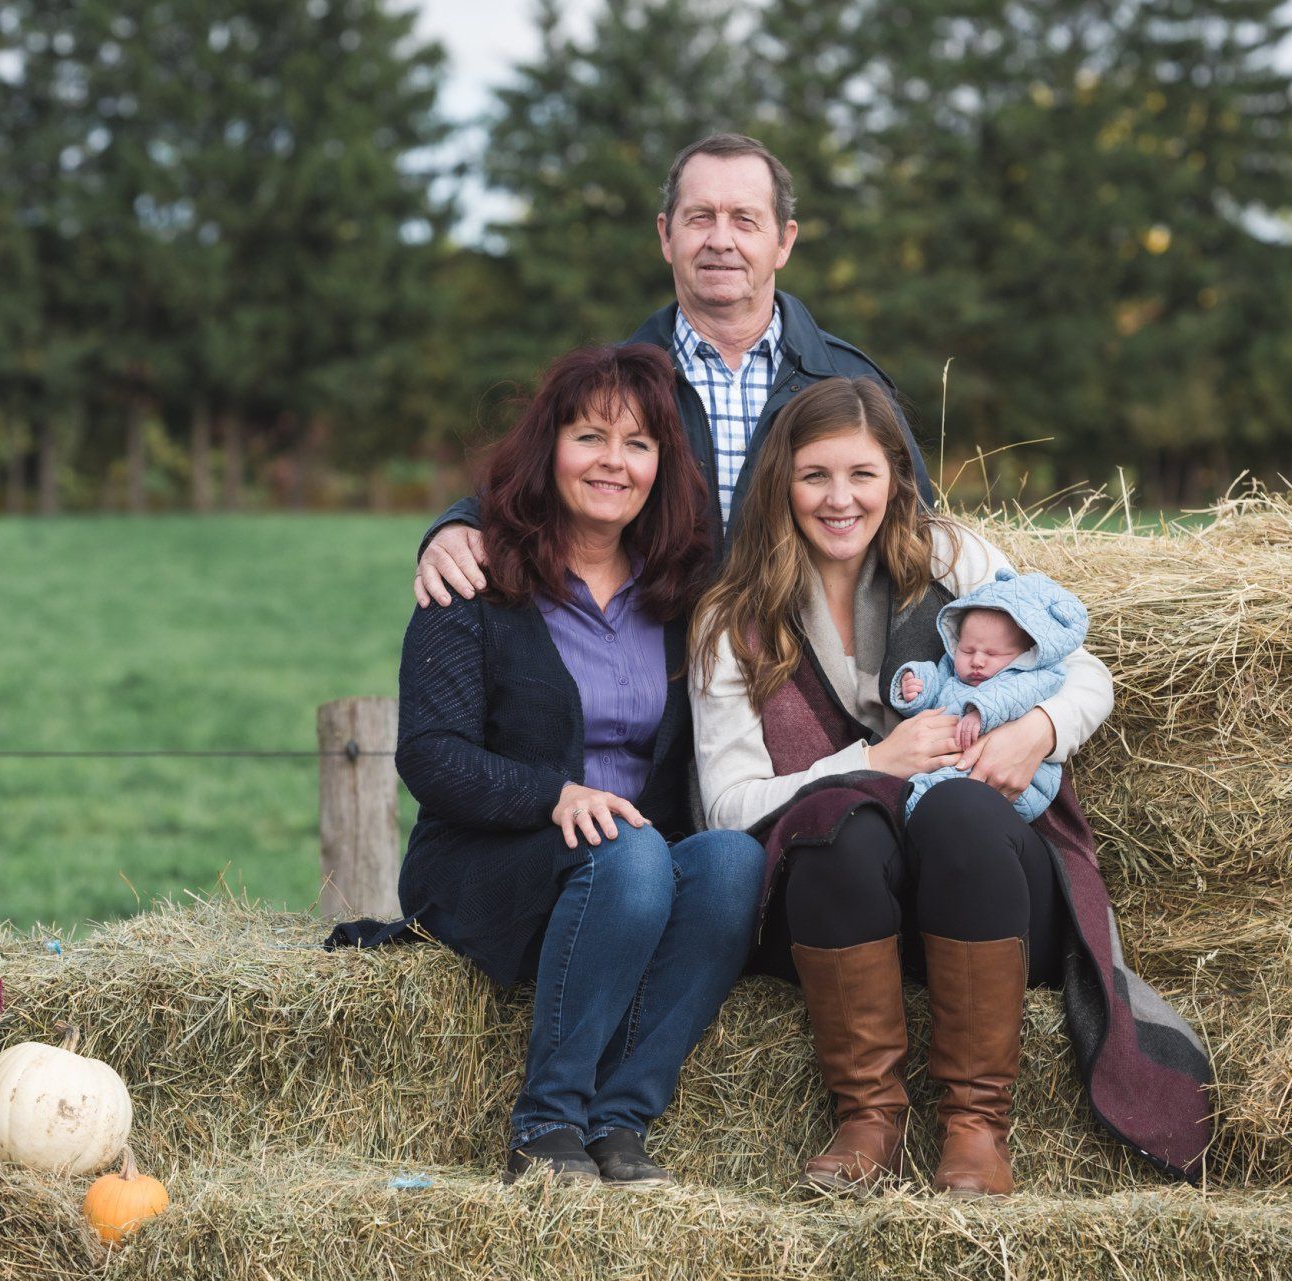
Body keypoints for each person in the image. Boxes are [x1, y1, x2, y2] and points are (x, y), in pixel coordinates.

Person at [688, 376, 1212, 1197]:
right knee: (834, 817)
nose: (839, 498)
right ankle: (870, 1121)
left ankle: (974, 1132)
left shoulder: (954, 559)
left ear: (896, 476)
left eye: (862, 473)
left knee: (963, 810)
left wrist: (1035, 730)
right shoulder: (732, 624)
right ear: (779, 482)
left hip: (986, 894)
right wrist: (871, 763)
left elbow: (1086, 676)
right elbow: (725, 806)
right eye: (814, 474)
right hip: (836, 914)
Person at [391, 343, 766, 1188]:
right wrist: (555, 793)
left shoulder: (681, 592)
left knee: (733, 860)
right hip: (496, 862)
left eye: (637, 444)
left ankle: (621, 1116)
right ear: (546, 448)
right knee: (629, 852)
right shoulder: (477, 577)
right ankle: (546, 1122)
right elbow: (429, 755)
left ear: (661, 467)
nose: (613, 462)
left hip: (637, 876)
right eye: (590, 436)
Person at [414, 132, 934, 607]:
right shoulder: (609, 385)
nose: (721, 240)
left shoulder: (849, 383)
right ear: (667, 235)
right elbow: (525, 488)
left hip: (812, 684)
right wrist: (456, 525)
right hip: (654, 685)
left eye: (745, 220)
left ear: (784, 242)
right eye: (700, 217)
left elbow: (919, 534)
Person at [888, 570, 1090, 823]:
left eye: (993, 654)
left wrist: (980, 712)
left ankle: (910, 807)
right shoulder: (953, 671)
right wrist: (915, 687)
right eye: (967, 650)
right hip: (953, 762)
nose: (977, 661)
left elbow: (1013, 695)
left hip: (1006, 773)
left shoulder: (1034, 675)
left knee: (943, 788)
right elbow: (934, 694)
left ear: (1023, 655)